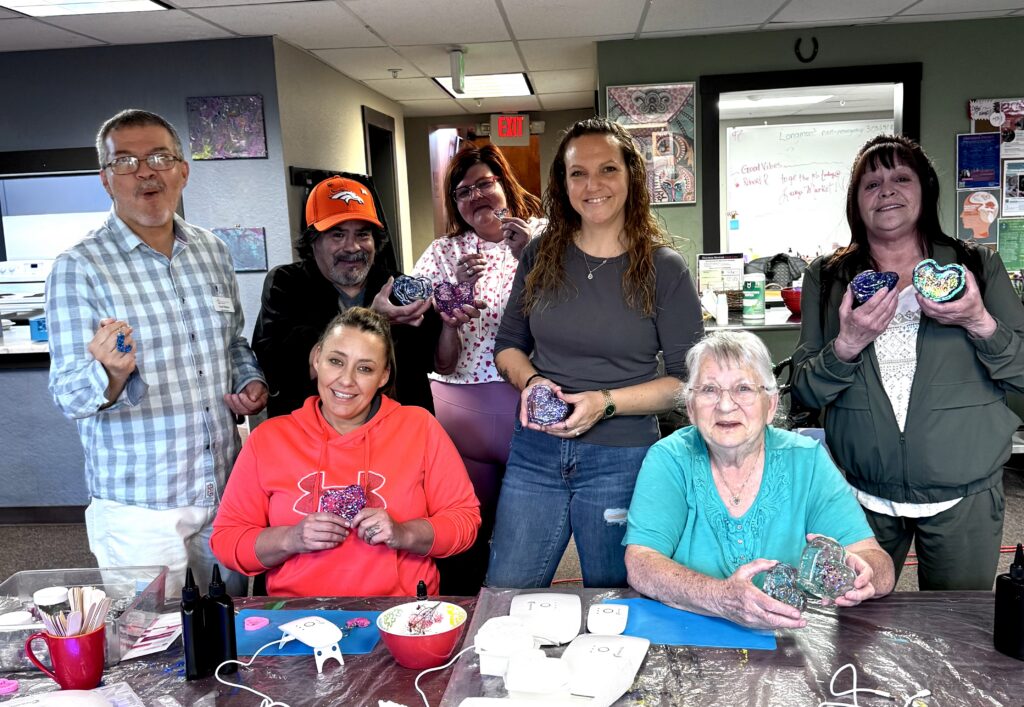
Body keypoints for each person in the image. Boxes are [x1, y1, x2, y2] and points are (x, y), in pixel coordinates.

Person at [46, 109, 266, 597]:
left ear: (182, 170)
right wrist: (109, 373)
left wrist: (249, 382)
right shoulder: (78, 268)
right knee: (154, 649)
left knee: (227, 633)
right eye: (125, 161)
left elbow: (232, 343)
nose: (145, 171)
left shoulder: (212, 251)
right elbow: (67, 395)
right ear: (106, 179)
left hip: (225, 490)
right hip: (141, 508)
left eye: (159, 157)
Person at [793, 134, 1024, 590]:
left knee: (958, 635)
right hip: (859, 495)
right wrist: (848, 344)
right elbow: (805, 389)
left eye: (901, 177)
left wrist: (979, 321)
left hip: (964, 496)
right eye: (871, 183)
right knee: (851, 630)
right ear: (856, 203)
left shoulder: (976, 267)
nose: (887, 190)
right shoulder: (828, 276)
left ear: (926, 189)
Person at [487, 117, 704, 588]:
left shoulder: (663, 269)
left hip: (622, 457)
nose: (593, 185)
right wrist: (532, 382)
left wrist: (604, 402)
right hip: (535, 451)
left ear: (631, 176)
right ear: (562, 184)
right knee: (507, 595)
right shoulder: (540, 254)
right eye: (577, 173)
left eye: (607, 169)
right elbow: (507, 346)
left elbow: (689, 384)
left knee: (617, 603)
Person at [623, 331, 894, 629]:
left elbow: (876, 562)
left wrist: (865, 574)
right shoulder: (669, 459)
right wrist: (720, 597)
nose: (725, 406)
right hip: (690, 632)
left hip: (790, 637)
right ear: (690, 408)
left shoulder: (806, 460)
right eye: (709, 390)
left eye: (743, 389)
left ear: (771, 405)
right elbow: (641, 562)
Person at [211, 307, 481, 597]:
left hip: (400, 611)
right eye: (336, 361)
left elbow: (465, 522)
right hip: (297, 616)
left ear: (383, 376)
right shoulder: (269, 439)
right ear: (316, 358)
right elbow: (227, 541)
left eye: (365, 368)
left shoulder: (419, 427)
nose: (346, 380)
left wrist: (405, 533)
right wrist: (291, 538)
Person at [411, 143, 544, 595]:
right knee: (466, 523)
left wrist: (532, 254)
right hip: (459, 410)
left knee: (525, 530)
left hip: (529, 405)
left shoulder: (545, 234)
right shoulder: (443, 252)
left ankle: (522, 609)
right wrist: (450, 295)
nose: (476, 196)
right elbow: (413, 318)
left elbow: (573, 308)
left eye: (485, 183)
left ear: (505, 184)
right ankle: (461, 611)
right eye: (463, 191)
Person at [252, 175, 475, 418]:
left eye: (362, 234)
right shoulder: (287, 285)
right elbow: (279, 369)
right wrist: (372, 318)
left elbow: (443, 365)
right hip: (311, 441)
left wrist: (450, 326)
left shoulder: (399, 288)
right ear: (313, 241)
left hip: (396, 436)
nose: (352, 247)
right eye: (337, 235)